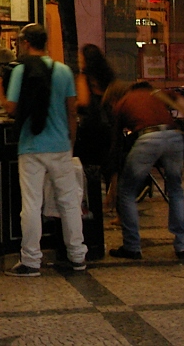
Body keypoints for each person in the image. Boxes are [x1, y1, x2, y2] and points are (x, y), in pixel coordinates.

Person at [0, 23, 87, 277]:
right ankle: (77, 256)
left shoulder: (22, 71)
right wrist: (70, 142)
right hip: (59, 146)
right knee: (68, 201)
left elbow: (12, 108)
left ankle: (31, 260)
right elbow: (72, 110)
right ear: (46, 42)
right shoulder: (64, 71)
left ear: (24, 43)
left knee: (32, 203)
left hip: (31, 145)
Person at [110, 82, 184, 262]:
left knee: (127, 191)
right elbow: (178, 96)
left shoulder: (123, 102)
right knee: (176, 189)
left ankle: (132, 246)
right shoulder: (155, 94)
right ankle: (182, 245)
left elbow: (116, 142)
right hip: (174, 135)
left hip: (148, 138)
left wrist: (113, 172)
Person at [74, 44, 116, 261]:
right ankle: (108, 207)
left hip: (90, 131)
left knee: (88, 178)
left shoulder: (84, 78)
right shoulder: (107, 77)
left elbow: (82, 101)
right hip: (107, 129)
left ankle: (90, 231)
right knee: (106, 170)